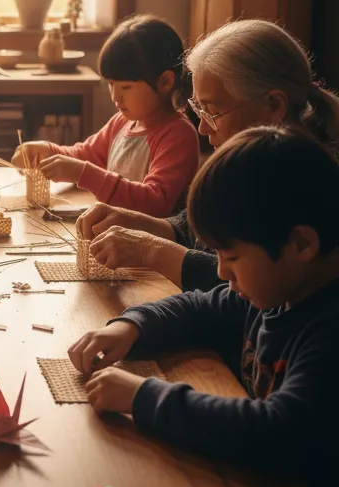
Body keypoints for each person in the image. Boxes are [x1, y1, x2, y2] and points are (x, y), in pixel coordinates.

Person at [69, 127, 339, 487]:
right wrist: (131, 327)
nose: (220, 270)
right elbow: (203, 307)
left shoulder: (328, 329)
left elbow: (277, 432)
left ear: (301, 244)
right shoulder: (279, 290)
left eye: (231, 256)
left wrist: (144, 397)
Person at [78, 19, 339, 290]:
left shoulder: (300, 186)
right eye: (198, 109)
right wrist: (130, 220)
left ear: (273, 105)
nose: (202, 127)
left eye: (213, 111)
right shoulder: (246, 165)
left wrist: (149, 250)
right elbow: (190, 231)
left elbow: (239, 290)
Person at [12, 14, 199, 217]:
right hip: (114, 236)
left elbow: (155, 202)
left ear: (164, 82)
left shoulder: (178, 135)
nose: (115, 96)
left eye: (126, 87)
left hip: (152, 245)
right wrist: (48, 152)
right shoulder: (121, 123)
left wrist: (84, 173)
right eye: (111, 85)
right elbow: (85, 156)